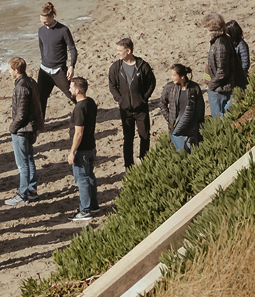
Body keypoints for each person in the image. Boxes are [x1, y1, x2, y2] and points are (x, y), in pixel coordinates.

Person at [106, 37, 158, 171]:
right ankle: (128, 166)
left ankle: (144, 162)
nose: (117, 53)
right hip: (125, 109)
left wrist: (144, 98)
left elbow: (151, 83)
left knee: (144, 136)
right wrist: (119, 99)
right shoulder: (116, 67)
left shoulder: (142, 65)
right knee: (128, 138)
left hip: (141, 108)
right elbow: (112, 86)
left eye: (119, 50)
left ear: (128, 51)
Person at [4, 56, 42, 205]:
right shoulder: (31, 82)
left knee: (22, 164)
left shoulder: (21, 87)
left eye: (10, 69)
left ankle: (22, 193)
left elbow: (21, 114)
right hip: (31, 127)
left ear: (16, 70)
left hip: (22, 130)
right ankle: (32, 190)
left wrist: (12, 128)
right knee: (30, 159)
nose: (8, 72)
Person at [67, 77, 99, 220]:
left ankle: (85, 210)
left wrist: (72, 151)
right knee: (90, 176)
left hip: (82, 149)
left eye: (71, 87)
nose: (69, 89)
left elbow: (79, 133)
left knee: (82, 180)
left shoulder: (79, 109)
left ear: (78, 90)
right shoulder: (90, 102)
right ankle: (93, 205)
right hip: (91, 146)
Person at [37, 1, 78, 110]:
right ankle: (41, 124)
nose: (43, 23)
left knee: (72, 95)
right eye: (42, 21)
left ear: (52, 17)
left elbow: (73, 49)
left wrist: (71, 66)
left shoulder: (63, 30)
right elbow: (42, 48)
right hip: (44, 70)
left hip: (59, 71)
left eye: (45, 21)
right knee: (40, 98)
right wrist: (44, 60)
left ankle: (86, 111)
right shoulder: (41, 31)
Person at [203, 13, 244, 117]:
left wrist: (211, 86)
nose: (206, 30)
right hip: (222, 86)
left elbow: (222, 72)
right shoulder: (221, 40)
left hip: (220, 89)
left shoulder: (220, 45)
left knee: (218, 118)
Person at [160, 64, 205, 151]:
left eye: (174, 75)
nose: (171, 77)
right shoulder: (169, 87)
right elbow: (162, 103)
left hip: (191, 128)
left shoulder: (194, 88)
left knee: (193, 152)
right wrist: (169, 118)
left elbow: (200, 108)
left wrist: (199, 124)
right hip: (176, 128)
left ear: (182, 76)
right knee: (181, 153)